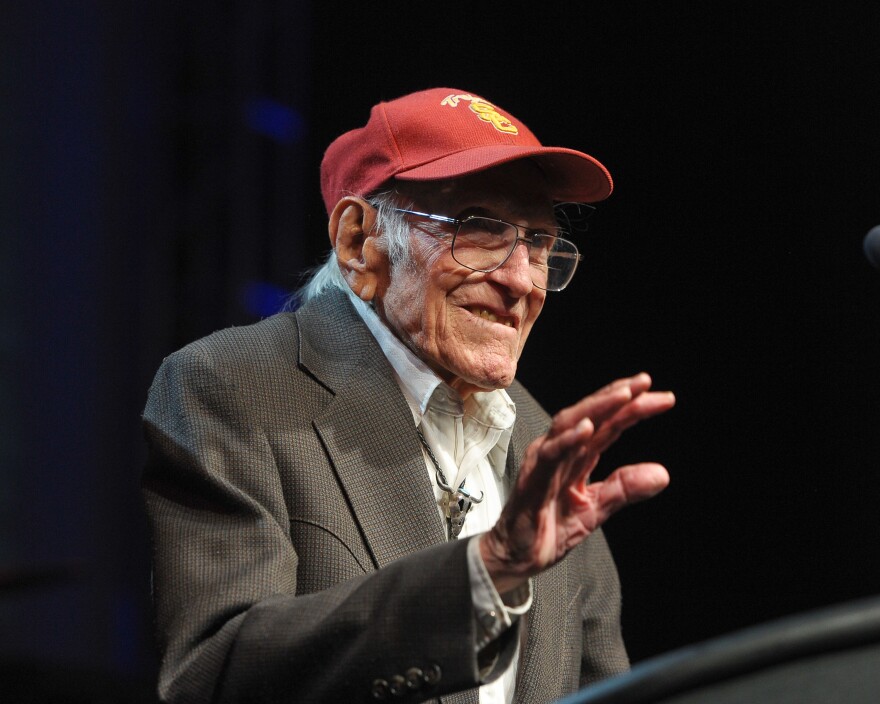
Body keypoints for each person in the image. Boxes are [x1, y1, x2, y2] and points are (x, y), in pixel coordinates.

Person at [141, 87, 676, 704]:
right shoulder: (236, 389)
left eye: (537, 243)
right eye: (479, 229)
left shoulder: (543, 442)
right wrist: (488, 571)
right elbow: (216, 676)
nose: (521, 279)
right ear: (358, 241)